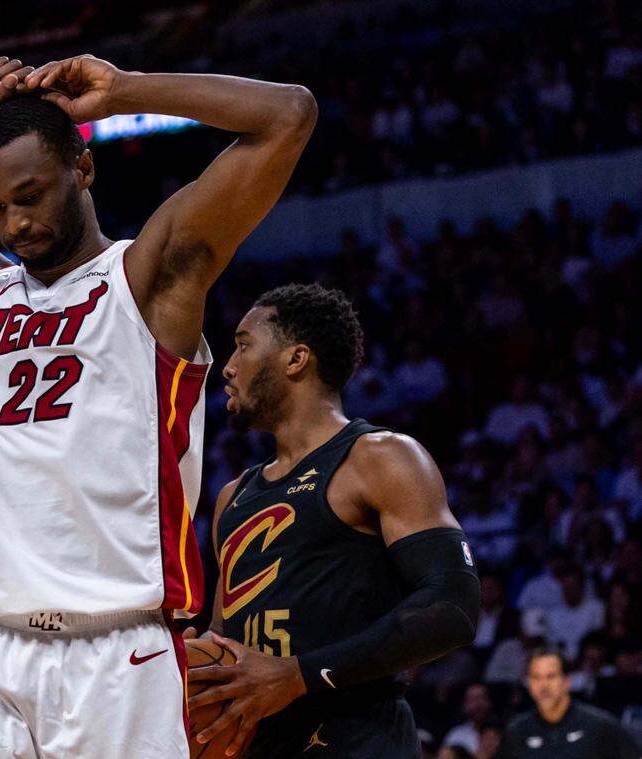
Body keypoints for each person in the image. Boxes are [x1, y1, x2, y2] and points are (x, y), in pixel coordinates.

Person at [0, 52, 316, 758]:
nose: (15, 223)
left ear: (83, 168)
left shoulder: (147, 279)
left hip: (116, 648)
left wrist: (125, 92)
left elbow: (288, 114)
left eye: (30, 195)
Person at [188, 284, 480, 757]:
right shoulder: (231, 496)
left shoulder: (380, 457)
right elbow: (227, 637)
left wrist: (299, 675)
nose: (228, 365)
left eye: (243, 344)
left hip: (357, 738)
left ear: (296, 359)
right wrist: (192, 664)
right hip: (257, 744)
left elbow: (454, 606)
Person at [497, 648, 639, 758]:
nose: (543, 686)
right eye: (536, 677)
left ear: (566, 681)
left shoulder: (598, 725)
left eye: (551, 676)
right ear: (528, 683)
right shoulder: (516, 731)